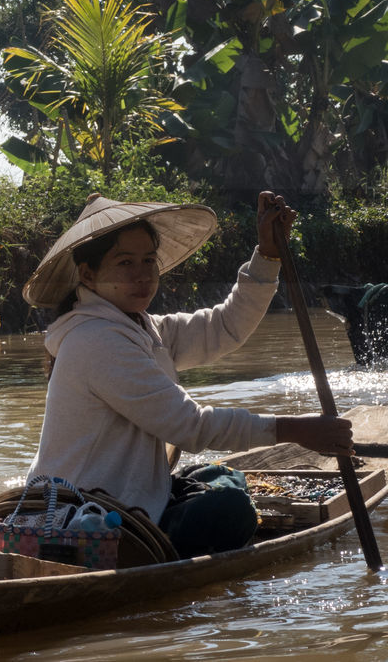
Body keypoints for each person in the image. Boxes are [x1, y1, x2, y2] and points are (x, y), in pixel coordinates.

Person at [22, 191, 354, 558]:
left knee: (222, 478)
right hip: (86, 520)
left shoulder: (141, 329)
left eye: (149, 260)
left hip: (123, 502)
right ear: (88, 274)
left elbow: (224, 327)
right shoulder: (95, 339)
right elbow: (191, 426)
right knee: (230, 509)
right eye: (125, 263)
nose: (143, 275)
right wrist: (295, 430)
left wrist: (268, 254)